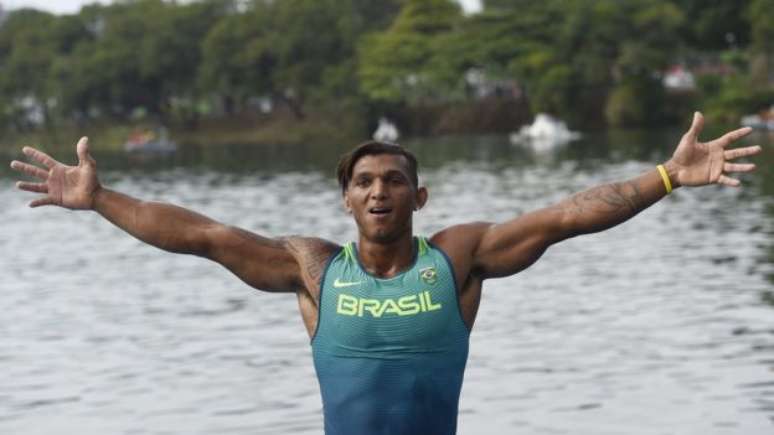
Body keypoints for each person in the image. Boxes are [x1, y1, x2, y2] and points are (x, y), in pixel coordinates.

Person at [9, 112, 761, 435]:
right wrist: (101, 198)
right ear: (346, 198)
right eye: (364, 181)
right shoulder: (312, 268)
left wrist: (667, 176)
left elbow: (566, 215)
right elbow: (202, 236)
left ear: (417, 197)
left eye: (394, 181)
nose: (379, 191)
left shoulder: (457, 257)